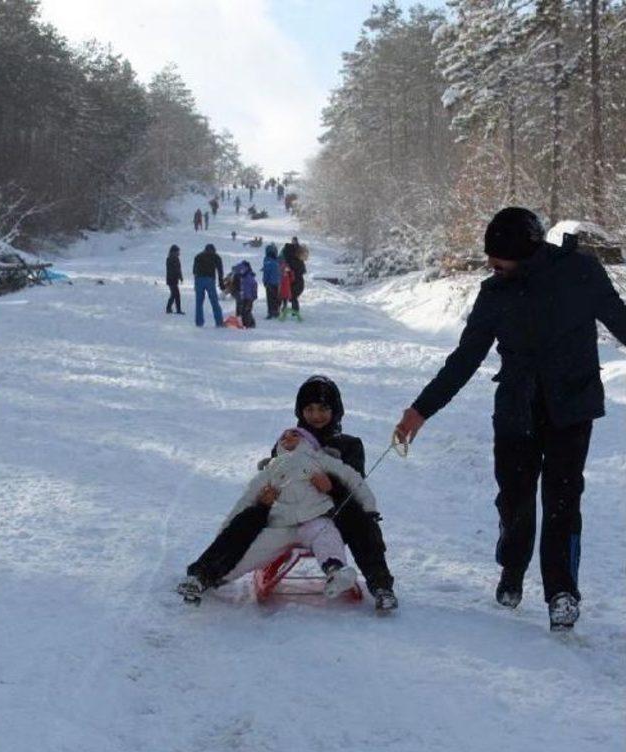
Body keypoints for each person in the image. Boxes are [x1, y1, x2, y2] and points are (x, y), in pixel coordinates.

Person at [395, 206, 626, 631]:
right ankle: (513, 568)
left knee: (562, 501)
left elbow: (622, 322)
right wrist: (421, 409)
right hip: (516, 411)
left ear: (523, 251)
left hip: (570, 409)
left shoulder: (581, 272)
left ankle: (562, 594)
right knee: (515, 500)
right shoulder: (495, 293)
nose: (490, 265)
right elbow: (465, 359)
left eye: (497, 257)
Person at [182, 375, 398, 612]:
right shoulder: (286, 441)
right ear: (300, 411)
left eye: (323, 408)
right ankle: (205, 574)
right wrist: (265, 503)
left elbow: (355, 484)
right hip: (283, 520)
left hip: (328, 518)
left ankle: (380, 586)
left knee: (358, 517)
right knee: (249, 517)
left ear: (335, 410)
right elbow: (267, 482)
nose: (316, 416)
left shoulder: (349, 445)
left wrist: (333, 488)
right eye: (310, 409)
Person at [179, 426, 374, 603]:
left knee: (326, 534)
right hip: (280, 526)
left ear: (309, 442)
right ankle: (213, 576)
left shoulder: (320, 459)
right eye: (283, 436)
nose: (288, 436)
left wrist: (368, 507)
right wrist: (225, 531)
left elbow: (352, 478)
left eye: (295, 434)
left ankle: (335, 571)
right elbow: (247, 499)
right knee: (253, 549)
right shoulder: (271, 468)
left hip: (314, 518)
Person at [192, 243, 225, 327]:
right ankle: (219, 322)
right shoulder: (216, 257)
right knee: (214, 301)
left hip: (199, 279)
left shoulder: (198, 256)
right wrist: (221, 283)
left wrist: (195, 282)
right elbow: (220, 271)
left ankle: (199, 322)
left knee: (199, 302)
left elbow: (194, 271)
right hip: (210, 280)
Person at [281, 239, 306, 317]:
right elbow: (303, 270)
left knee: (286, 295)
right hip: (298, 280)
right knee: (293, 296)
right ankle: (294, 312)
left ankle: (285, 311)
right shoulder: (298, 259)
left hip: (289, 280)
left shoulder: (287, 258)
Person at [232, 260, 258, 328]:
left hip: (246, 297)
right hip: (246, 296)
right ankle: (246, 323)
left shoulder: (243, 276)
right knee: (245, 311)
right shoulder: (247, 276)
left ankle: (248, 324)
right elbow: (254, 286)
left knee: (245, 311)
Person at [165, 244, 184, 315]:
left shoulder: (173, 259)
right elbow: (176, 269)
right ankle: (177, 309)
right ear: (173, 252)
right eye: (177, 251)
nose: (178, 253)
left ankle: (169, 308)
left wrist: (180, 277)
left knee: (174, 294)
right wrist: (179, 276)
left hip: (173, 279)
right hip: (172, 279)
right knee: (176, 294)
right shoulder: (172, 259)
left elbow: (178, 269)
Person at [262, 243, 280, 318]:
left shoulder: (267, 260)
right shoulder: (276, 260)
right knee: (275, 297)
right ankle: (276, 311)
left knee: (270, 298)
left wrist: (265, 281)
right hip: (277, 282)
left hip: (269, 282)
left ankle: (270, 312)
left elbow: (266, 272)